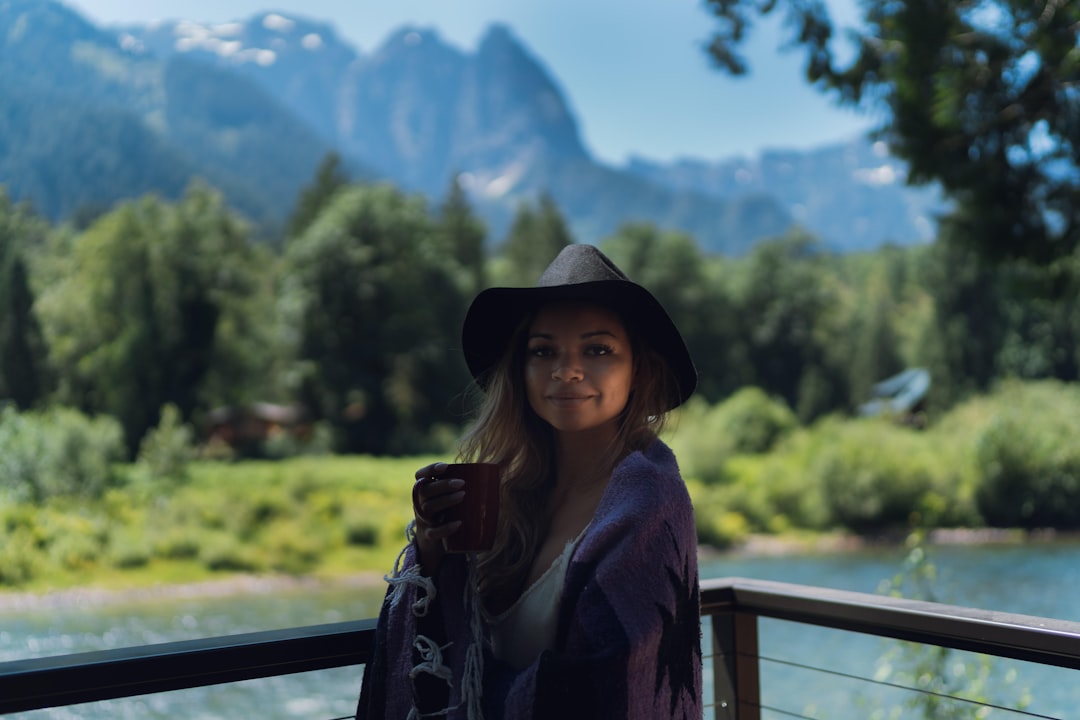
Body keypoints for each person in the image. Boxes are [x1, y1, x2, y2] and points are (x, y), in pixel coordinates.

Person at [357, 244, 702, 719]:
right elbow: (458, 634)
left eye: (597, 349)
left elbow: (607, 687)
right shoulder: (506, 493)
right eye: (543, 351)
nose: (567, 370)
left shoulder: (647, 505)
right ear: (521, 369)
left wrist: (472, 697)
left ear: (637, 368)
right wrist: (435, 554)